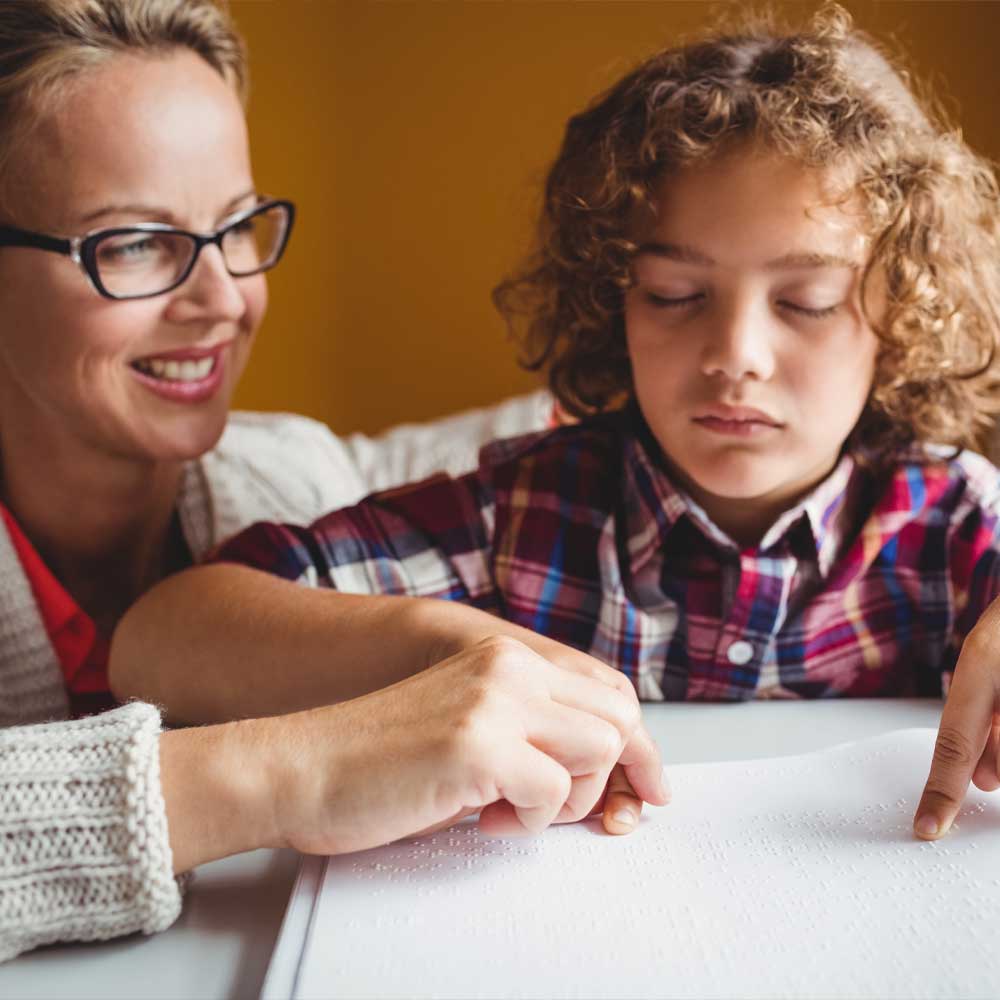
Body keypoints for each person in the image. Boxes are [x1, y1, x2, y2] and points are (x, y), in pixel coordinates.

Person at [112, 3, 1000, 849]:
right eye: (676, 296)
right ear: (614, 302)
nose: (737, 354)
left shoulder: (955, 520)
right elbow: (160, 636)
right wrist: (460, 647)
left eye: (806, 302)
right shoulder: (523, 517)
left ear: (901, 316)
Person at [0, 0, 665, 964]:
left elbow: (502, 448)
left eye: (235, 227)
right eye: (133, 243)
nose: (223, 298)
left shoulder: (285, 474)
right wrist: (300, 770)